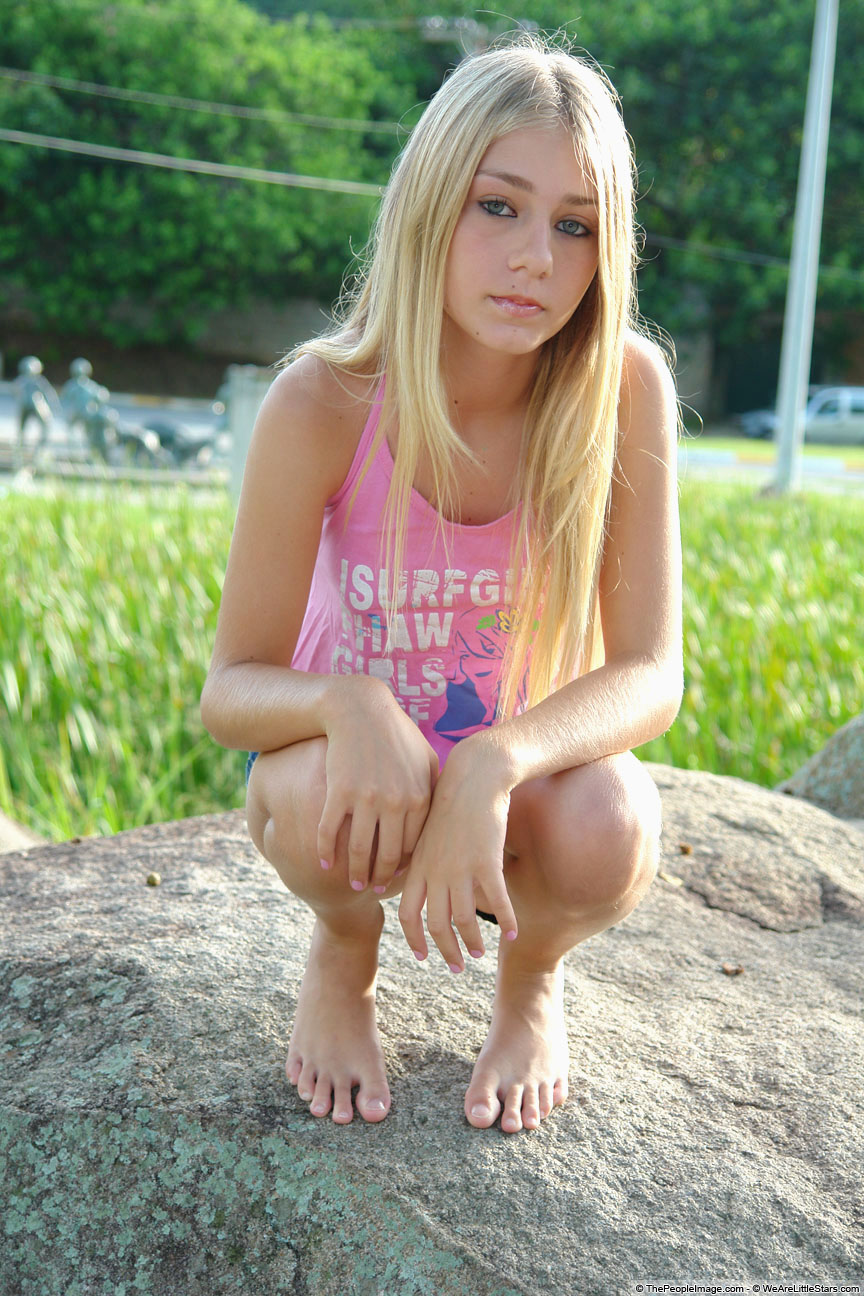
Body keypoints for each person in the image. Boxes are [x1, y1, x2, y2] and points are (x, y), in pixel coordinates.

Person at [201, 36, 683, 1134]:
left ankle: (533, 980)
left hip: (517, 800)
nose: (536, 259)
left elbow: (651, 673)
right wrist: (349, 703)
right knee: (305, 791)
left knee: (612, 820)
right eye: (497, 206)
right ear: (429, 204)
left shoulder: (624, 388)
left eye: (576, 226)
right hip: (352, 797)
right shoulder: (324, 400)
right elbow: (231, 689)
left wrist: (494, 762)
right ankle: (344, 951)